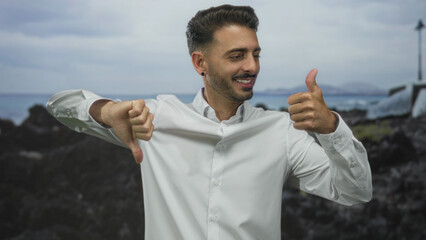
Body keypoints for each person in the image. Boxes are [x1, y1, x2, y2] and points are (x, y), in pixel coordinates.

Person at [46, 4, 372, 240]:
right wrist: (105, 112)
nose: (252, 66)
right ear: (200, 62)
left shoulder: (283, 132)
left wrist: (331, 129)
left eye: (255, 54)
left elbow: (355, 193)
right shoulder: (154, 121)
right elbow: (60, 104)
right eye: (237, 55)